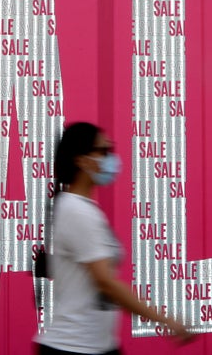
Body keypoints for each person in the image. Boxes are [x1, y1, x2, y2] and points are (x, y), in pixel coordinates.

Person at [35, 122, 191, 355]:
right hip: (73, 348)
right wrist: (165, 320)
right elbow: (105, 282)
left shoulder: (83, 209)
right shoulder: (77, 211)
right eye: (104, 151)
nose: (111, 159)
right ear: (82, 160)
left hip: (98, 346)